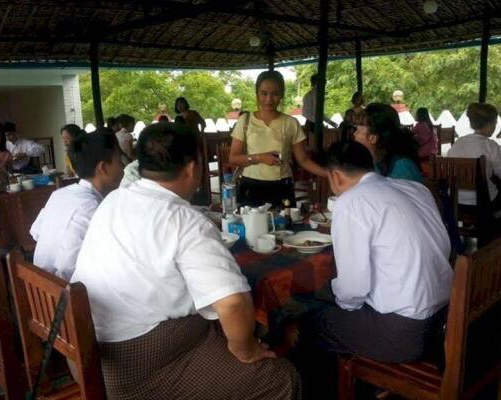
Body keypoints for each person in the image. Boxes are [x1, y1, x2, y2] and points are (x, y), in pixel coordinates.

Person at [71, 123, 300, 399]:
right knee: (280, 377)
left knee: (235, 324)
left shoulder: (114, 199)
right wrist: (247, 350)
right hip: (137, 368)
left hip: (90, 349)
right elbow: (233, 303)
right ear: (193, 168)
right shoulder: (184, 220)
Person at [301, 140, 451, 389]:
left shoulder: (351, 201)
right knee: (330, 297)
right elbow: (444, 247)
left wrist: (343, 306)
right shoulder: (416, 189)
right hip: (447, 317)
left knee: (309, 320)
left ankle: (336, 387)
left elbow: (353, 289)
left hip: (407, 334)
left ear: (335, 176)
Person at [30, 132, 123, 281]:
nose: (123, 168)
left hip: (40, 284)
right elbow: (68, 267)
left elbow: (35, 231)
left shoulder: (60, 194)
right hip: (60, 293)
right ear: (103, 168)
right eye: (119, 161)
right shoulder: (92, 207)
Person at [228, 70, 328, 207]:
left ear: (281, 95)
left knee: (285, 227)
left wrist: (328, 173)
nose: (269, 99)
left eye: (275, 94)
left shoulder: (291, 123)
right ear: (257, 93)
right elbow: (233, 158)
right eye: (264, 93)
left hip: (282, 186)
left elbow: (303, 160)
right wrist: (260, 158)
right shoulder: (245, 121)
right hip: (251, 186)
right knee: (252, 227)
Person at [447, 103, 501, 228]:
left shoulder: (457, 143)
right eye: (495, 123)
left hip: (455, 201)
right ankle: (500, 231)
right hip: (482, 203)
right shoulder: (490, 146)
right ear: (490, 124)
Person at [352, 102, 423, 182]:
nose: (354, 134)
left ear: (373, 138)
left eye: (357, 129)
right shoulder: (376, 162)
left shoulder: (401, 167)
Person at [412, 108, 438, 175]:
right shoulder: (430, 124)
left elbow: (410, 133)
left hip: (424, 151)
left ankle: (417, 172)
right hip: (434, 150)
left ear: (419, 115)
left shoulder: (419, 125)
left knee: (411, 154)